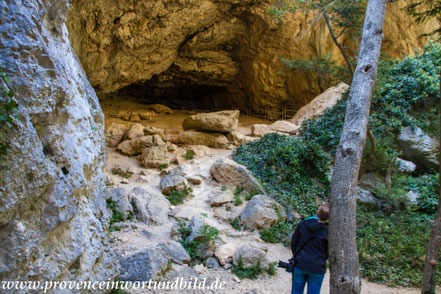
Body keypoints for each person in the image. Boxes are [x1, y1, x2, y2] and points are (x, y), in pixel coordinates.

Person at [290, 202, 329, 294]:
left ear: (317, 211)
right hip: (317, 267)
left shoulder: (303, 224)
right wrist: (321, 259)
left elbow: (294, 242)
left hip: (300, 263)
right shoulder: (328, 232)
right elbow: (328, 252)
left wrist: (298, 255)